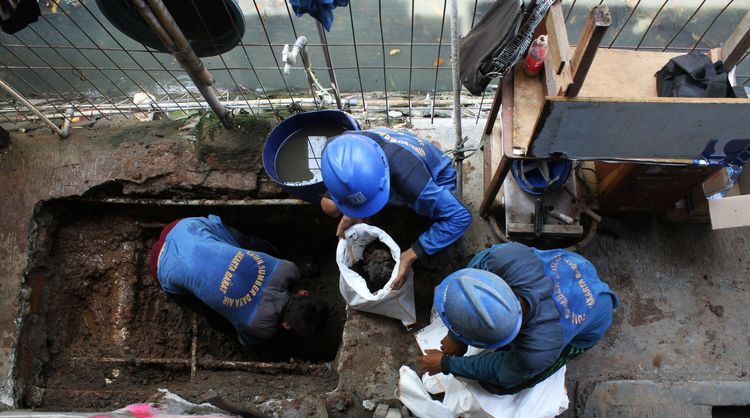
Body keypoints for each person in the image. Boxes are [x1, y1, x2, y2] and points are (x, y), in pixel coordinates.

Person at [417, 242, 618, 394]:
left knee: (498, 385)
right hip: (576, 267)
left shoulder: (541, 348)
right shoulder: (506, 258)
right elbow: (471, 282)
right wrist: (456, 336)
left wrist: (447, 365)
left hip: (596, 312)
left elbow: (501, 372)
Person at [319, 128, 472, 290]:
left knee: (440, 256)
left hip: (434, 175)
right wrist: (350, 213)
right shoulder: (335, 150)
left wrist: (411, 254)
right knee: (328, 206)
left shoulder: (412, 182)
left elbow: (460, 217)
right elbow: (345, 180)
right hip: (387, 157)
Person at [149, 215, 328, 349]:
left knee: (251, 245)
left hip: (183, 227)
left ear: (304, 293)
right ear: (286, 325)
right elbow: (248, 342)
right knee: (215, 316)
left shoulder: (289, 270)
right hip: (160, 266)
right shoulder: (261, 328)